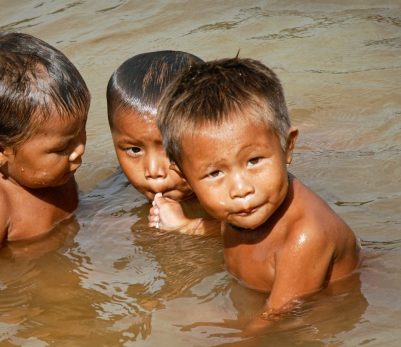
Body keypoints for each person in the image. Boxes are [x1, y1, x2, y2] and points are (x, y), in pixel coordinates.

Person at [150, 55, 361, 316]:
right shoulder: (245, 207)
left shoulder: (305, 237)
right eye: (215, 173)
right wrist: (187, 226)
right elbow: (237, 230)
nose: (240, 188)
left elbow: (280, 318)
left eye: (254, 160)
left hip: (322, 322)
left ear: (288, 147)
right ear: (184, 176)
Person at [0, 32, 90, 276]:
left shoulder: (51, 165)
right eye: (62, 147)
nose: (79, 150)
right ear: (0, 151)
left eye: (81, 130)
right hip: (22, 283)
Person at [106, 51, 220, 236]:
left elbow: (261, 227)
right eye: (134, 150)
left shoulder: (231, 184)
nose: (153, 171)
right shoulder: (121, 180)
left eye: (169, 149)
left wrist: (187, 226)